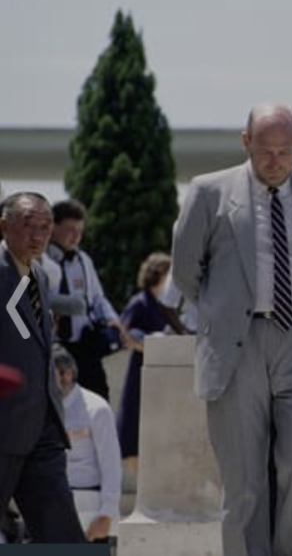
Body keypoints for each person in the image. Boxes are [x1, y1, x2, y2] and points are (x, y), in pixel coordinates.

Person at [171, 103, 292, 556]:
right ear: (245, 143)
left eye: (285, 150)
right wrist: (224, 310)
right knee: (244, 483)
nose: (275, 160)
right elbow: (186, 271)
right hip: (235, 347)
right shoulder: (208, 192)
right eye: (265, 150)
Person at [0, 192, 86, 543]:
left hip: (42, 428)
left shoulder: (39, 278)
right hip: (4, 427)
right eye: (28, 225)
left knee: (63, 537)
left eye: (46, 227)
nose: (38, 235)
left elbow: (25, 336)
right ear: (4, 226)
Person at [42, 199, 131, 401]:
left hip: (84, 344)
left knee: (99, 397)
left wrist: (113, 320)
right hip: (55, 345)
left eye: (80, 231)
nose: (76, 236)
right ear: (53, 227)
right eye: (70, 229)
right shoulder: (41, 260)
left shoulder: (84, 260)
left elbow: (98, 298)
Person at [52, 344, 122, 543]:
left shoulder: (96, 409)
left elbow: (111, 465)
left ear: (66, 374)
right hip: (53, 507)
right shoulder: (44, 410)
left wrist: (106, 515)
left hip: (89, 512)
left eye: (50, 375)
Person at [116, 252, 174, 480]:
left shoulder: (166, 305)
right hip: (141, 371)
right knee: (133, 429)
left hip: (162, 374)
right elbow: (124, 333)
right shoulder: (140, 302)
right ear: (159, 274)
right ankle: (142, 487)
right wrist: (150, 347)